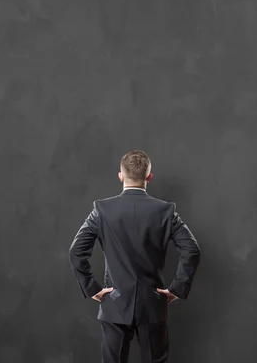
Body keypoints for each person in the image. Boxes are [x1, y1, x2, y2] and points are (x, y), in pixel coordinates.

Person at [69, 150, 201, 363]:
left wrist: (92, 288)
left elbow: (76, 252)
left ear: (120, 175)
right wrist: (177, 288)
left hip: (114, 303)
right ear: (149, 177)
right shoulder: (166, 211)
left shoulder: (101, 210)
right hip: (153, 303)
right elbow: (192, 250)